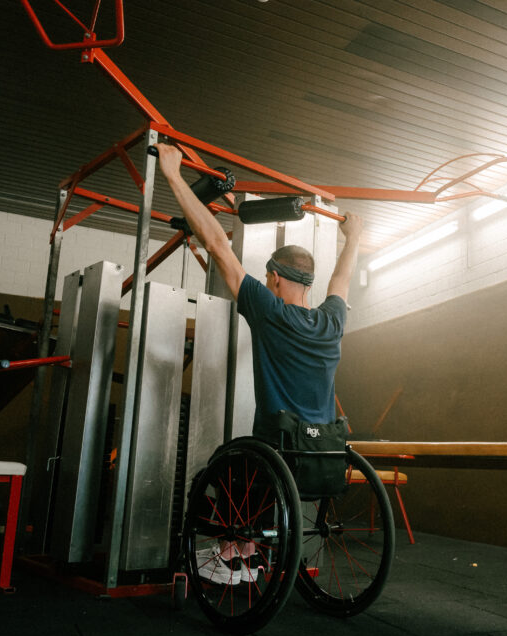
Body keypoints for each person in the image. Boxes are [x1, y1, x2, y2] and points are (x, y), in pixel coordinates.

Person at [155, 143, 363, 584]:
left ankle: (233, 552)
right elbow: (341, 280)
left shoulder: (269, 312)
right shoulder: (332, 321)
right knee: (255, 469)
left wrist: (173, 175)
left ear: (274, 277)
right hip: (322, 455)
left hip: (279, 448)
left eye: (269, 277)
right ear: (308, 282)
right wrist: (355, 237)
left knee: (218, 471)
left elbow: (215, 243)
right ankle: (249, 552)